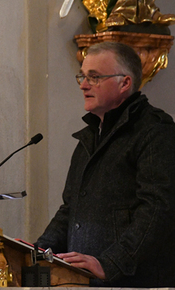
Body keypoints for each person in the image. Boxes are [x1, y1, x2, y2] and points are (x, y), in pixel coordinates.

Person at [36, 41, 175, 287]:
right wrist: (34, 253)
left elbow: (158, 208)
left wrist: (111, 263)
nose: (83, 84)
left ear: (125, 83)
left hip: (134, 283)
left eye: (95, 77)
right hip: (86, 283)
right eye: (83, 76)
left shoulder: (155, 131)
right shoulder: (89, 138)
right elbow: (70, 210)